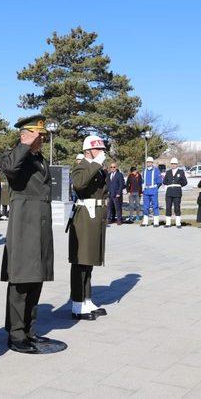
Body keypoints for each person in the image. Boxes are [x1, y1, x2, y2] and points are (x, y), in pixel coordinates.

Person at [0, 115, 57, 354]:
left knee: (36, 278)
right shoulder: (14, 156)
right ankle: (15, 334)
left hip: (41, 224)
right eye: (38, 135)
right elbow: (10, 168)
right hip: (24, 225)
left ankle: (29, 330)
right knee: (21, 281)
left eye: (43, 136)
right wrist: (24, 144)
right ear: (25, 135)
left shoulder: (38, 158)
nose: (42, 139)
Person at [69, 135, 109, 320]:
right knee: (81, 261)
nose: (101, 153)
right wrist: (96, 164)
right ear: (87, 151)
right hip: (85, 215)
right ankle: (77, 304)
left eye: (102, 150)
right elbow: (79, 184)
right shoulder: (81, 166)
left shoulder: (98, 168)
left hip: (96, 215)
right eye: (97, 150)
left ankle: (86, 299)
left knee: (90, 260)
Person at [162, 158, 188, 228]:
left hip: (177, 192)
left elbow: (185, 182)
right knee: (168, 207)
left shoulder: (181, 172)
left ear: (177, 164)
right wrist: (170, 184)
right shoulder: (168, 172)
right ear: (171, 164)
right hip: (169, 192)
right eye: (172, 164)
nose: (173, 165)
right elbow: (164, 181)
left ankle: (178, 223)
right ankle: (168, 223)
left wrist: (179, 185)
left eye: (175, 164)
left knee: (177, 207)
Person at [141, 157, 162, 227]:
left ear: (152, 163)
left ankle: (156, 222)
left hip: (153, 190)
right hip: (146, 191)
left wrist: (155, 188)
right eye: (147, 162)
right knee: (145, 207)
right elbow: (143, 181)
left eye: (150, 162)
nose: (148, 163)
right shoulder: (144, 171)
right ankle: (145, 222)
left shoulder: (156, 170)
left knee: (155, 206)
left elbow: (159, 182)